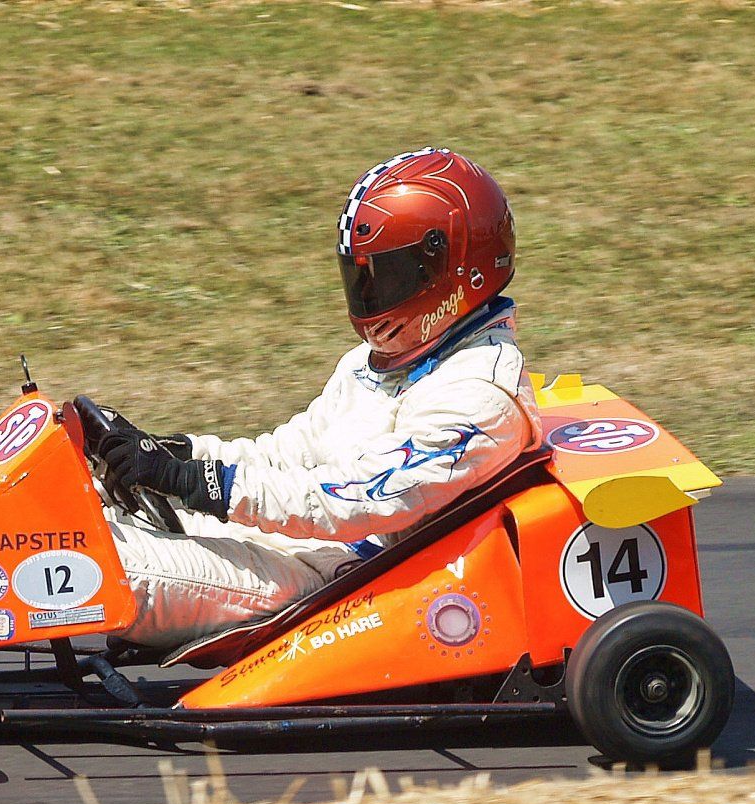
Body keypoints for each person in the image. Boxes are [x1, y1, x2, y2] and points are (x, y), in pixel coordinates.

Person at [94, 148, 540, 651]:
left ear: (453, 268)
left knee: (86, 562)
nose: (370, 294)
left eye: (386, 275)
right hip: (296, 540)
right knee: (80, 504)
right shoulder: (379, 362)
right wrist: (178, 453)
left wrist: (193, 482)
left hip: (344, 583)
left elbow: (351, 499)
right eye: (362, 276)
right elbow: (289, 454)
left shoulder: (478, 400)